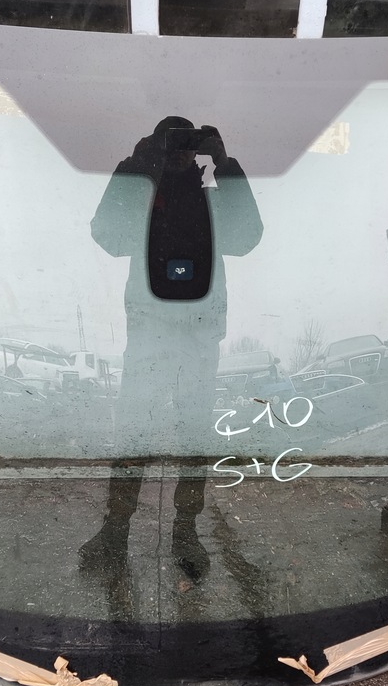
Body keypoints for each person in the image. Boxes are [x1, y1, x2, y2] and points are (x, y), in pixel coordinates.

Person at [80, 116, 263, 582]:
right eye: (172, 144)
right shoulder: (144, 195)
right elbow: (107, 235)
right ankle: (116, 529)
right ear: (157, 148)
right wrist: (137, 163)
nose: (180, 153)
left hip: (197, 335)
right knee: (134, 434)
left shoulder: (210, 200)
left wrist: (225, 163)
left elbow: (246, 238)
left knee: (193, 438)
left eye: (187, 145)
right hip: (151, 332)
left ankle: (185, 530)